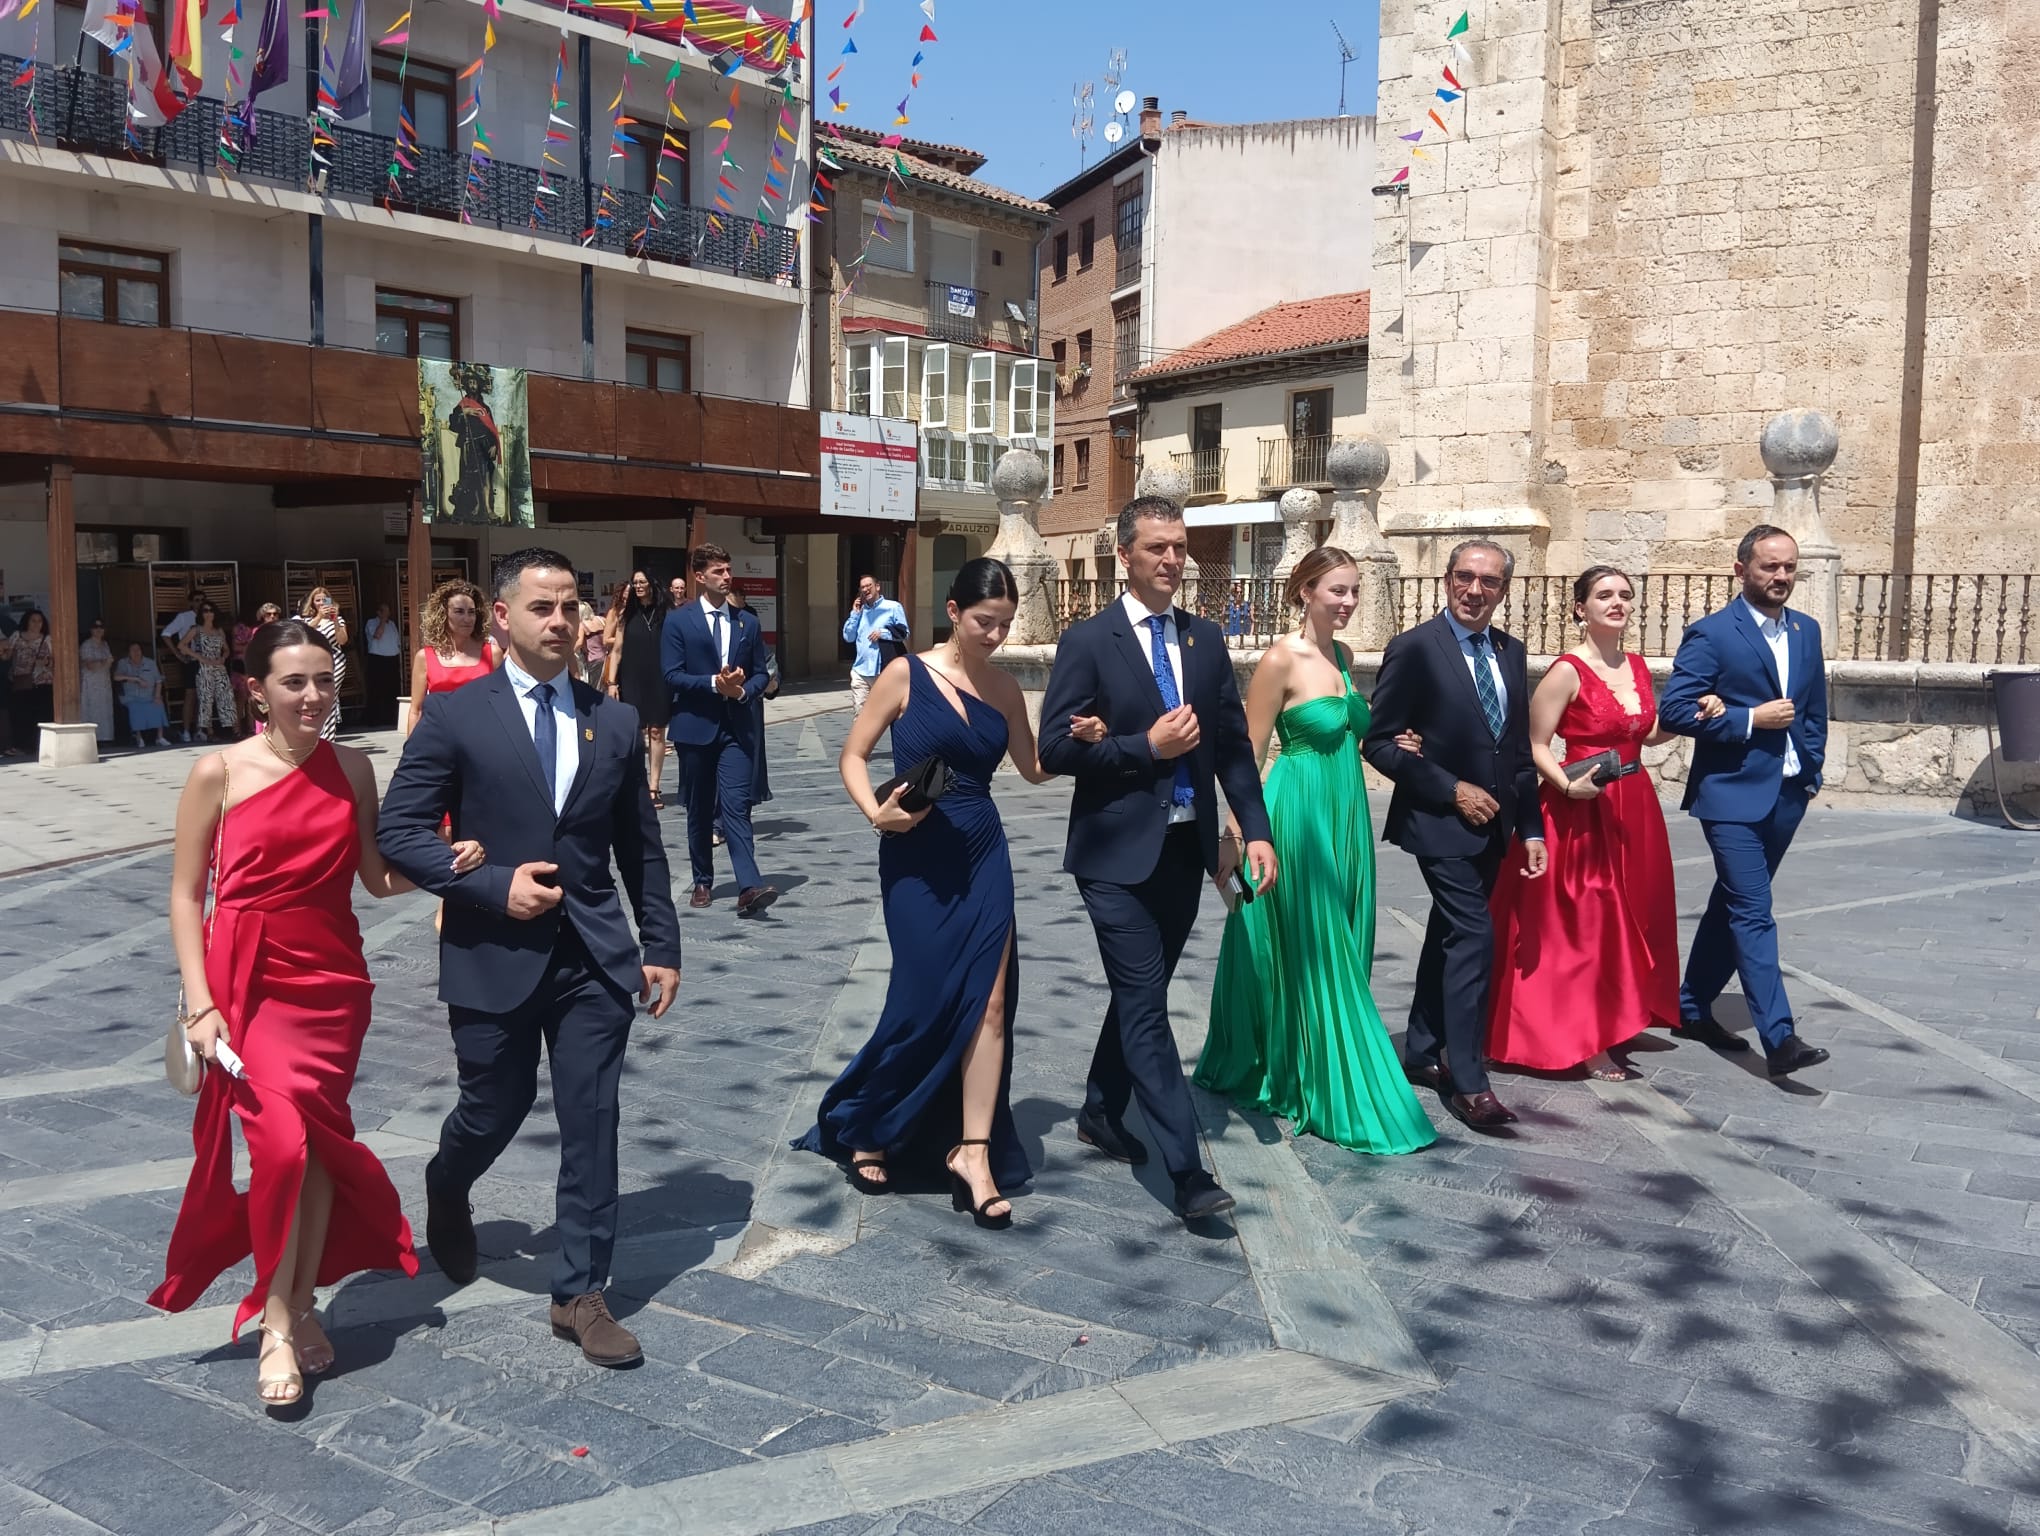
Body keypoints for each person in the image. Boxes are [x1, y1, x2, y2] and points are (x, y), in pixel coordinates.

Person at [151, 618, 484, 1407]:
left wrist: (446, 865)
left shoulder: (355, 768)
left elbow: (373, 878)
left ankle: (297, 1306)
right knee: (284, 1149)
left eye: (323, 680)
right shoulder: (218, 771)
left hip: (332, 983)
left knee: (319, 1146)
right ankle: (276, 1320)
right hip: (249, 978)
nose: (311, 695)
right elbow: (183, 894)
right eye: (293, 681)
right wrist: (200, 1003)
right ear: (256, 689)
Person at [378, 547, 682, 1368]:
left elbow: (639, 847)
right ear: (502, 617)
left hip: (592, 958)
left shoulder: (611, 719)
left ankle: (580, 1291)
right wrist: (490, 886)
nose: (558, 622)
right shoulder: (456, 714)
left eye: (569, 607)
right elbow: (399, 832)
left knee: (593, 1119)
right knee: (494, 1107)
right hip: (492, 949)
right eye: (541, 607)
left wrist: (660, 942)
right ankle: (449, 1183)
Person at [797, 559, 1103, 1226]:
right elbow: (854, 756)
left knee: (991, 1005)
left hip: (982, 849)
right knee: (920, 997)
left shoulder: (1004, 690)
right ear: (954, 610)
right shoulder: (905, 673)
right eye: (982, 622)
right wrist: (873, 813)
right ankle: (871, 1118)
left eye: (1003, 625)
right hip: (915, 850)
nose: (993, 635)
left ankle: (973, 1151)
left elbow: (1032, 767)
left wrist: (1083, 741)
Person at [1038, 496, 1276, 1224]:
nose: (1173, 560)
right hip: (1113, 857)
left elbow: (1232, 746)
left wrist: (1255, 827)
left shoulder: (1205, 641)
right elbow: (1053, 751)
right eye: (1158, 549)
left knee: (1139, 993)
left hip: (1183, 850)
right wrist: (1146, 748)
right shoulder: (1089, 640)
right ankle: (1186, 1172)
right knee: (1147, 1006)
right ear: (1126, 556)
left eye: (1180, 547)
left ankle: (1101, 1109)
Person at [1196, 548, 1437, 1156]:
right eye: (1337, 590)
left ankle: (1302, 1059)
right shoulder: (1282, 658)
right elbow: (1248, 754)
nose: (1349, 602)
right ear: (1305, 590)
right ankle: (1330, 1080)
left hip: (1345, 812)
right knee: (1315, 943)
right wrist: (1237, 835)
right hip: (1297, 812)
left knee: (1344, 938)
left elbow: (1352, 734)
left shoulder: (1346, 657)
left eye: (1354, 591)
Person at [1485, 567, 1723, 1080]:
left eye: (1624, 596)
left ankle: (1622, 1014)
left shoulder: (1637, 666)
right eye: (1604, 595)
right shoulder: (1567, 670)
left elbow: (1646, 731)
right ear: (1580, 609)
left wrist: (1696, 714)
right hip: (1580, 806)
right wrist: (1568, 787)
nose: (1617, 603)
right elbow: (1535, 744)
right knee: (1588, 923)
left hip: (1635, 802)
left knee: (1636, 913)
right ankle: (1586, 1036)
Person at [1362, 539, 1546, 1134]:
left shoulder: (1511, 652)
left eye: (1488, 581)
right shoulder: (1415, 648)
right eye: (1464, 577)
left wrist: (1532, 828)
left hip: (1496, 826)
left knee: (1448, 930)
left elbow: (1517, 752)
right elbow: (1381, 742)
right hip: (1439, 821)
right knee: (1474, 935)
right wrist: (1451, 789)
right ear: (1445, 581)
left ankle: (1420, 1049)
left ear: (1504, 590)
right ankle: (1467, 1079)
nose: (1475, 590)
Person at [1656, 525, 1832, 1079]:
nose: (1781, 577)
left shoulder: (1806, 630)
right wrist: (1750, 719)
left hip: (1786, 794)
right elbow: (1677, 711)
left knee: (1732, 905)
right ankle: (1780, 1039)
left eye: (1788, 567)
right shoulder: (1711, 634)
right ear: (1741, 570)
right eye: (1768, 567)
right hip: (1730, 796)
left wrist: (1811, 771)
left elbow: (1813, 709)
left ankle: (1691, 1007)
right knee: (1754, 911)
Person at [663, 544, 776, 916]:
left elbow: (763, 672)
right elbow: (672, 674)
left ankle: (749, 885)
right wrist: (715, 683)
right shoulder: (680, 620)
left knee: (736, 807)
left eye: (728, 570)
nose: (726, 577)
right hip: (695, 729)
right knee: (698, 808)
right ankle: (702, 879)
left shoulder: (747, 622)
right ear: (699, 576)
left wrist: (742, 690)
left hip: (737, 730)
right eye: (718, 571)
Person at [605, 571, 672, 811]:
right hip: (632, 677)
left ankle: (654, 786)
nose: (638, 586)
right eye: (635, 583)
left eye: (642, 581)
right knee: (635, 731)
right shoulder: (627, 615)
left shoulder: (667, 614)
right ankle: (637, 783)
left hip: (659, 678)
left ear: (652, 584)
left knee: (657, 732)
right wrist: (612, 683)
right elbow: (617, 651)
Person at [406, 579, 499, 736]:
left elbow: (502, 704)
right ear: (443, 614)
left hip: (483, 739)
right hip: (438, 740)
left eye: (471, 612)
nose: (467, 618)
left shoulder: (493, 653)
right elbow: (416, 710)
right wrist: (411, 754)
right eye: (459, 611)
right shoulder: (425, 657)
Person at [843, 574, 909, 714]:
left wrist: (883, 633)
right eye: (862, 587)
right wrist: (854, 614)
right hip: (860, 671)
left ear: (877, 587)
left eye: (869, 586)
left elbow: (904, 633)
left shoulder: (893, 607)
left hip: (883, 671)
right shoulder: (860, 611)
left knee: (892, 715)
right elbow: (848, 637)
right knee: (860, 717)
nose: (866, 589)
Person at [178, 600, 236, 742]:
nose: (209, 613)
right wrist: (199, 657)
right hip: (204, 667)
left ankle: (231, 728)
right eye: (205, 610)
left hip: (219, 665)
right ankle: (208, 731)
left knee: (225, 697)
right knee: (206, 699)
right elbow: (182, 645)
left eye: (211, 610)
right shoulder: (196, 629)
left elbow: (227, 649)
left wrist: (223, 657)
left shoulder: (219, 630)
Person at [4, 609, 55, 756]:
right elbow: (7, 656)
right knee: (21, 715)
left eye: (39, 621)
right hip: (21, 681)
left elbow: (54, 659)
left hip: (42, 681)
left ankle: (40, 746)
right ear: (27, 621)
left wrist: (46, 662)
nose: (36, 624)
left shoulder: (47, 639)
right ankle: (22, 746)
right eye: (33, 620)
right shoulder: (16, 636)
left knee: (42, 715)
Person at [302, 588, 349, 739]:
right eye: (318, 600)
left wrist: (334, 619)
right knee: (316, 696)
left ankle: (328, 735)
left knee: (330, 695)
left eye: (324, 600)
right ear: (313, 603)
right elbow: (304, 635)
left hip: (334, 659)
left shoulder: (338, 620)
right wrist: (319, 617)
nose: (321, 603)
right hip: (314, 662)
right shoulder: (308, 621)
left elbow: (343, 640)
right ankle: (317, 733)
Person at [161, 588, 203, 743]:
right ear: (191, 602)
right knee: (190, 695)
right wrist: (178, 655)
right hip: (190, 660)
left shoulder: (207, 616)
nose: (199, 603)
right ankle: (186, 730)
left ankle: (200, 729)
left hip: (205, 660)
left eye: (202, 600)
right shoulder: (184, 617)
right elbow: (166, 634)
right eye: (197, 600)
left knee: (203, 696)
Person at [116, 640, 171, 748]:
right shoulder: (123, 663)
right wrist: (135, 679)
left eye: (138, 650)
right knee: (135, 707)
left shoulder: (150, 663)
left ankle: (160, 737)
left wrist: (157, 696)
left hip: (149, 695)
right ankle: (138, 737)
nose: (136, 652)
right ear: (128, 652)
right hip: (131, 696)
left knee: (158, 704)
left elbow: (158, 681)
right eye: (133, 650)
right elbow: (116, 677)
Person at [363, 603, 404, 729]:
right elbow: (377, 635)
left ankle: (391, 717)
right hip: (377, 658)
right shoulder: (371, 622)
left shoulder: (391, 624)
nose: (387, 614)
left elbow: (397, 642)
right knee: (376, 688)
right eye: (384, 611)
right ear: (378, 612)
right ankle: (374, 719)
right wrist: (382, 620)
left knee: (392, 689)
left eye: (388, 611)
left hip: (392, 658)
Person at [79, 620, 116, 744]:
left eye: (101, 627)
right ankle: (91, 739)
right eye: (96, 628)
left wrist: (105, 662)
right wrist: (104, 662)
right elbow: (89, 665)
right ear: (91, 630)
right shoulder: (87, 645)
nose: (99, 630)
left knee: (105, 710)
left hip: (104, 681)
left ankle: (105, 738)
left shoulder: (105, 644)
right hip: (91, 682)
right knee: (92, 710)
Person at [580, 587, 615, 691]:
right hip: (607, 657)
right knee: (607, 686)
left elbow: (584, 647)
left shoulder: (582, 626)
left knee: (595, 689)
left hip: (593, 659)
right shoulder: (602, 619)